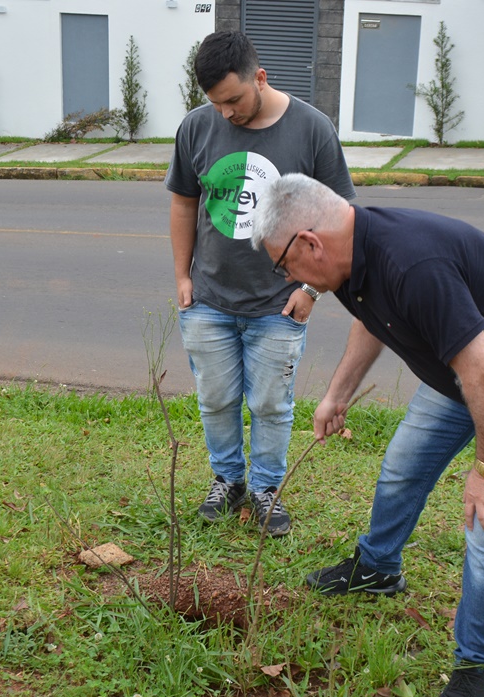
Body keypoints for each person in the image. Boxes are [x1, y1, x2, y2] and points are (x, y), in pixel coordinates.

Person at [252, 174, 484, 697]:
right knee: (402, 468)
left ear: (310, 242)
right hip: (461, 370)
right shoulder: (354, 257)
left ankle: (480, 664)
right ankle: (377, 569)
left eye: (282, 265)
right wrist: (337, 395)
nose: (286, 277)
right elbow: (372, 323)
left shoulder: (411, 264)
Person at [165, 32, 356, 537]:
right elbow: (184, 202)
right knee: (216, 399)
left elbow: (343, 220)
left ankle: (267, 488)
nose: (226, 113)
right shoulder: (196, 128)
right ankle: (226, 481)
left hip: (279, 303)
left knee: (271, 403)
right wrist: (182, 276)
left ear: (261, 77)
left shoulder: (312, 129)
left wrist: (312, 290)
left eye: (234, 100)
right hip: (208, 299)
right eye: (215, 103)